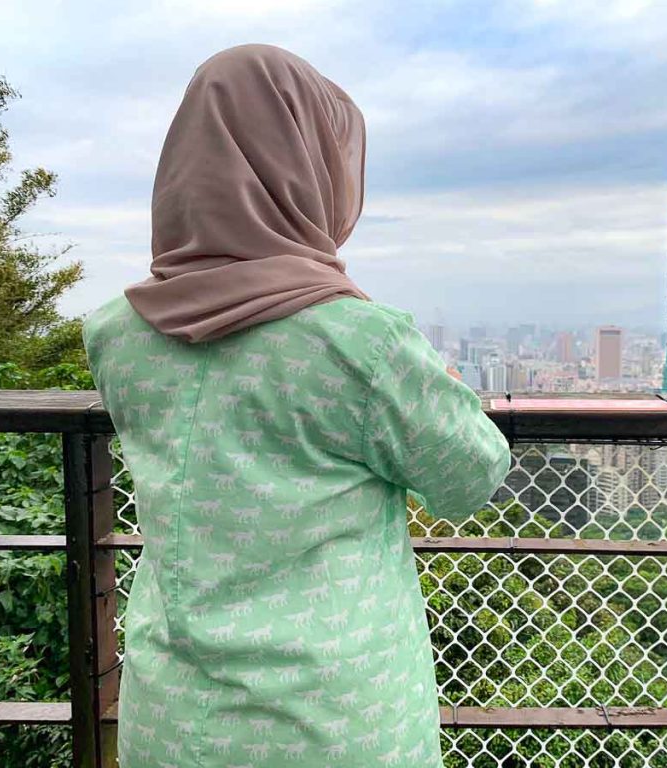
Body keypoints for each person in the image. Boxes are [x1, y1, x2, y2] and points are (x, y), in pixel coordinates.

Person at [82, 43, 511, 767]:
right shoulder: (360, 341)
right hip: (336, 721)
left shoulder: (115, 334)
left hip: (172, 717)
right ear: (311, 173)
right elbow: (471, 477)